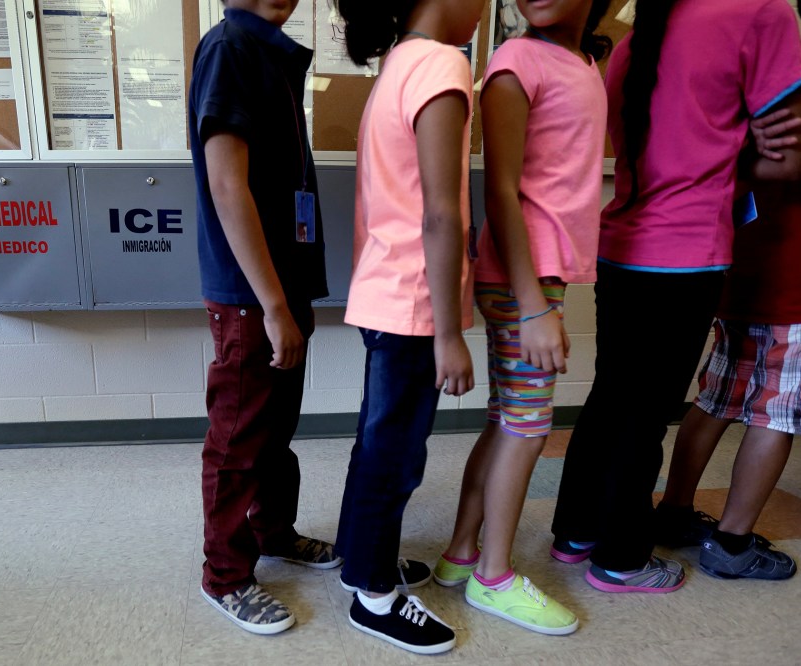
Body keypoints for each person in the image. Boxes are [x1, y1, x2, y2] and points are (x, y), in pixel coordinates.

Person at [550, 0, 801, 593]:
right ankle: (621, 560)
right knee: (643, 414)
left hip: (620, 245)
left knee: (612, 398)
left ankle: (576, 534)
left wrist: (726, 137)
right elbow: (793, 160)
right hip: (687, 254)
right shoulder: (758, 12)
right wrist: (743, 143)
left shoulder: (632, 37)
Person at [656, 0, 801, 578]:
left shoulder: (796, 54)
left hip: (756, 257)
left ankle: (675, 511)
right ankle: (732, 545)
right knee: (779, 413)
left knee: (719, 399)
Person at [433, 0, 612, 635]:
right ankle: (494, 577)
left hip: (539, 276)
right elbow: (499, 188)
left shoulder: (587, 62)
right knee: (529, 429)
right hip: (522, 280)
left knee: (508, 422)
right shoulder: (516, 61)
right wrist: (534, 302)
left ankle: (460, 555)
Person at [331, 0, 482, 654]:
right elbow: (442, 215)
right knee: (393, 454)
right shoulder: (442, 64)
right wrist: (449, 332)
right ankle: (374, 595)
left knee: (379, 444)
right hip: (414, 303)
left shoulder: (399, 63)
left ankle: (362, 559)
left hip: (384, 292)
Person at [188, 0, 341, 635]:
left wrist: (286, 299)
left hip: (281, 286)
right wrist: (273, 306)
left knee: (274, 430)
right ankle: (224, 576)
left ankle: (275, 534)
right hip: (253, 294)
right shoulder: (231, 47)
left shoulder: (271, 51)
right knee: (238, 441)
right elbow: (228, 185)